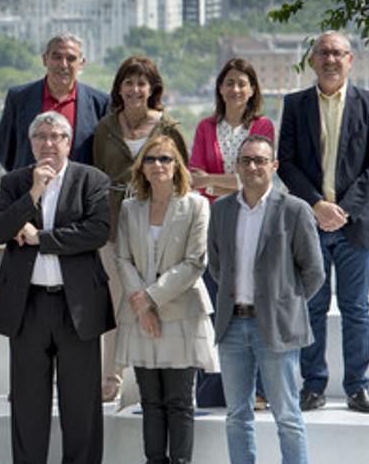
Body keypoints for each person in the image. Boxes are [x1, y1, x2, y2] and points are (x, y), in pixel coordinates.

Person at [0, 111, 113, 464]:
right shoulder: (15, 182)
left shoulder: (92, 180)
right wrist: (33, 193)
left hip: (77, 308)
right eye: (40, 137)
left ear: (68, 142)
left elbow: (96, 232)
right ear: (31, 143)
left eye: (55, 136)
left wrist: (41, 239)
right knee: (28, 407)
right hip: (28, 307)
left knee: (82, 409)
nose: (48, 144)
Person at [278, 31, 369, 414]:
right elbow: (286, 162)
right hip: (309, 224)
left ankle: (358, 387)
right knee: (312, 306)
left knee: (355, 308)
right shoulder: (295, 105)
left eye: (338, 53)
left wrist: (342, 209)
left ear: (350, 60)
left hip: (355, 227)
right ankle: (313, 386)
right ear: (312, 60)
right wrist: (316, 206)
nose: (330, 60)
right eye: (323, 53)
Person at [209, 135, 324, 464]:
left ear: (273, 166)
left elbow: (314, 272)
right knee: (237, 416)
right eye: (246, 160)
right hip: (232, 326)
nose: (253, 166)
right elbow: (218, 266)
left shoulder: (295, 210)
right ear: (237, 167)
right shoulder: (221, 211)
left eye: (260, 160)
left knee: (287, 417)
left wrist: (283, 304)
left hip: (275, 327)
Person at [114, 135, 218, 464]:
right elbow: (122, 258)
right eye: (151, 159)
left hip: (181, 315)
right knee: (151, 401)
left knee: (179, 400)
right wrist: (141, 305)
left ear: (177, 166)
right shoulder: (131, 208)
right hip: (139, 316)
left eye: (165, 159)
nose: (158, 165)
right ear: (141, 168)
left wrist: (150, 299)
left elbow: (195, 262)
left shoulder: (196, 204)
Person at [92, 55, 187, 403]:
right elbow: (96, 175)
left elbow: (183, 177)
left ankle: (159, 373)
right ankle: (112, 374)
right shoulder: (106, 127)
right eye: (129, 83)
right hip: (115, 226)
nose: (135, 90)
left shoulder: (168, 127)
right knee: (118, 302)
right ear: (119, 88)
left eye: (142, 83)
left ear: (153, 89)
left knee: (157, 299)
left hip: (158, 225)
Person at [187, 57, 274, 409]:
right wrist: (230, 182)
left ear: (252, 89)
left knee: (253, 307)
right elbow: (194, 177)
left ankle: (258, 391)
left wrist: (213, 180)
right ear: (220, 88)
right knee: (214, 308)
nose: (235, 89)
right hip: (212, 226)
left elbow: (257, 178)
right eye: (229, 83)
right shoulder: (206, 127)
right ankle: (213, 390)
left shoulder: (263, 126)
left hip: (254, 222)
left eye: (242, 83)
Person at [0, 33, 109, 172]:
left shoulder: (100, 103)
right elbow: (6, 151)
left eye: (71, 59)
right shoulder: (19, 98)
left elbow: (104, 156)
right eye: (57, 57)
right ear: (45, 60)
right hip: (30, 188)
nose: (63, 65)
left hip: (79, 190)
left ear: (81, 64)